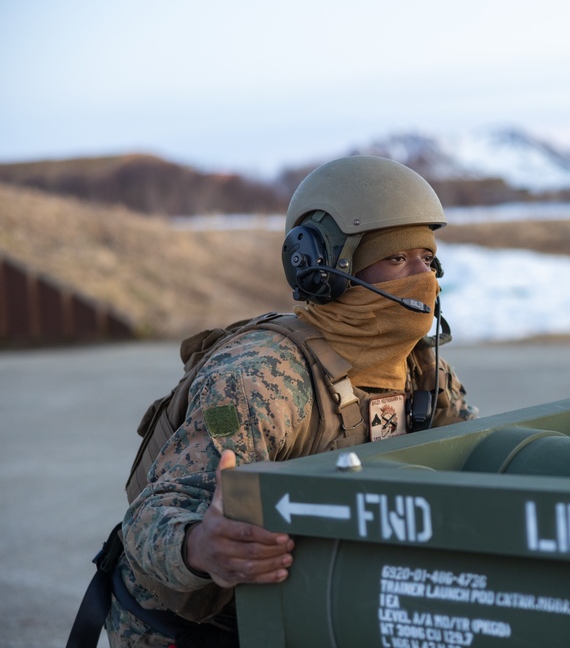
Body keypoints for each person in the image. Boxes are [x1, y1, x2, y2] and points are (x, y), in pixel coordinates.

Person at [105, 155, 477, 647]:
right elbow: (155, 513)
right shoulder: (258, 377)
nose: (424, 278)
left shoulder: (420, 366)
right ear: (324, 267)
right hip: (199, 628)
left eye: (428, 260)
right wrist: (201, 545)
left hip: (318, 606)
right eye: (395, 258)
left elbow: (476, 460)